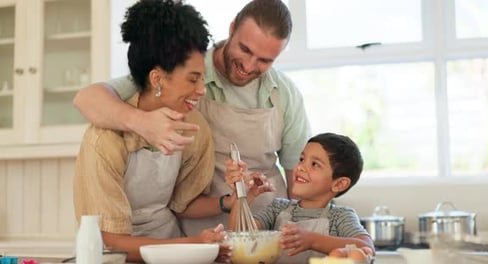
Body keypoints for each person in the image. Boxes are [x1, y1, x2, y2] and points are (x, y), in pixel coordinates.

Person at [72, 0, 311, 236]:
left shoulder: (284, 94)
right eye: (245, 49)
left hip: (268, 228)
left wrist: (302, 234)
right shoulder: (183, 65)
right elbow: (86, 99)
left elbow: (299, 180)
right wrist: (143, 122)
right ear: (232, 27)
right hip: (200, 229)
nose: (248, 66)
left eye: (265, 60)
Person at [73, 1, 231, 262]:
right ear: (157, 79)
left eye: (202, 77)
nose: (202, 89)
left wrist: (230, 202)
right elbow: (109, 242)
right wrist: (193, 244)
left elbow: (182, 203)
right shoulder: (104, 141)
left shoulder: (195, 127)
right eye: (193, 79)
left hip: (171, 246)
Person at [225, 133, 375, 264]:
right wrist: (243, 195)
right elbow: (240, 238)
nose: (301, 167)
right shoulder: (277, 208)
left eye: (315, 164)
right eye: (302, 159)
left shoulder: (340, 217)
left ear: (339, 184)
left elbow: (365, 247)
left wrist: (312, 240)